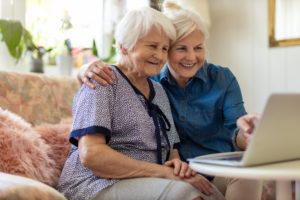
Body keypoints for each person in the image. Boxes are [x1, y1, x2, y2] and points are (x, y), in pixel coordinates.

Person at [77, 2, 262, 200]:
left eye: (163, 48)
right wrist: (83, 70)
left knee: (222, 187)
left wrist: (249, 131)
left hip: (184, 174)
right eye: (180, 48)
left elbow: (172, 148)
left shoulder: (157, 90)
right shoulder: (119, 80)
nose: (159, 55)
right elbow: (91, 152)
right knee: (190, 193)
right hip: (113, 182)